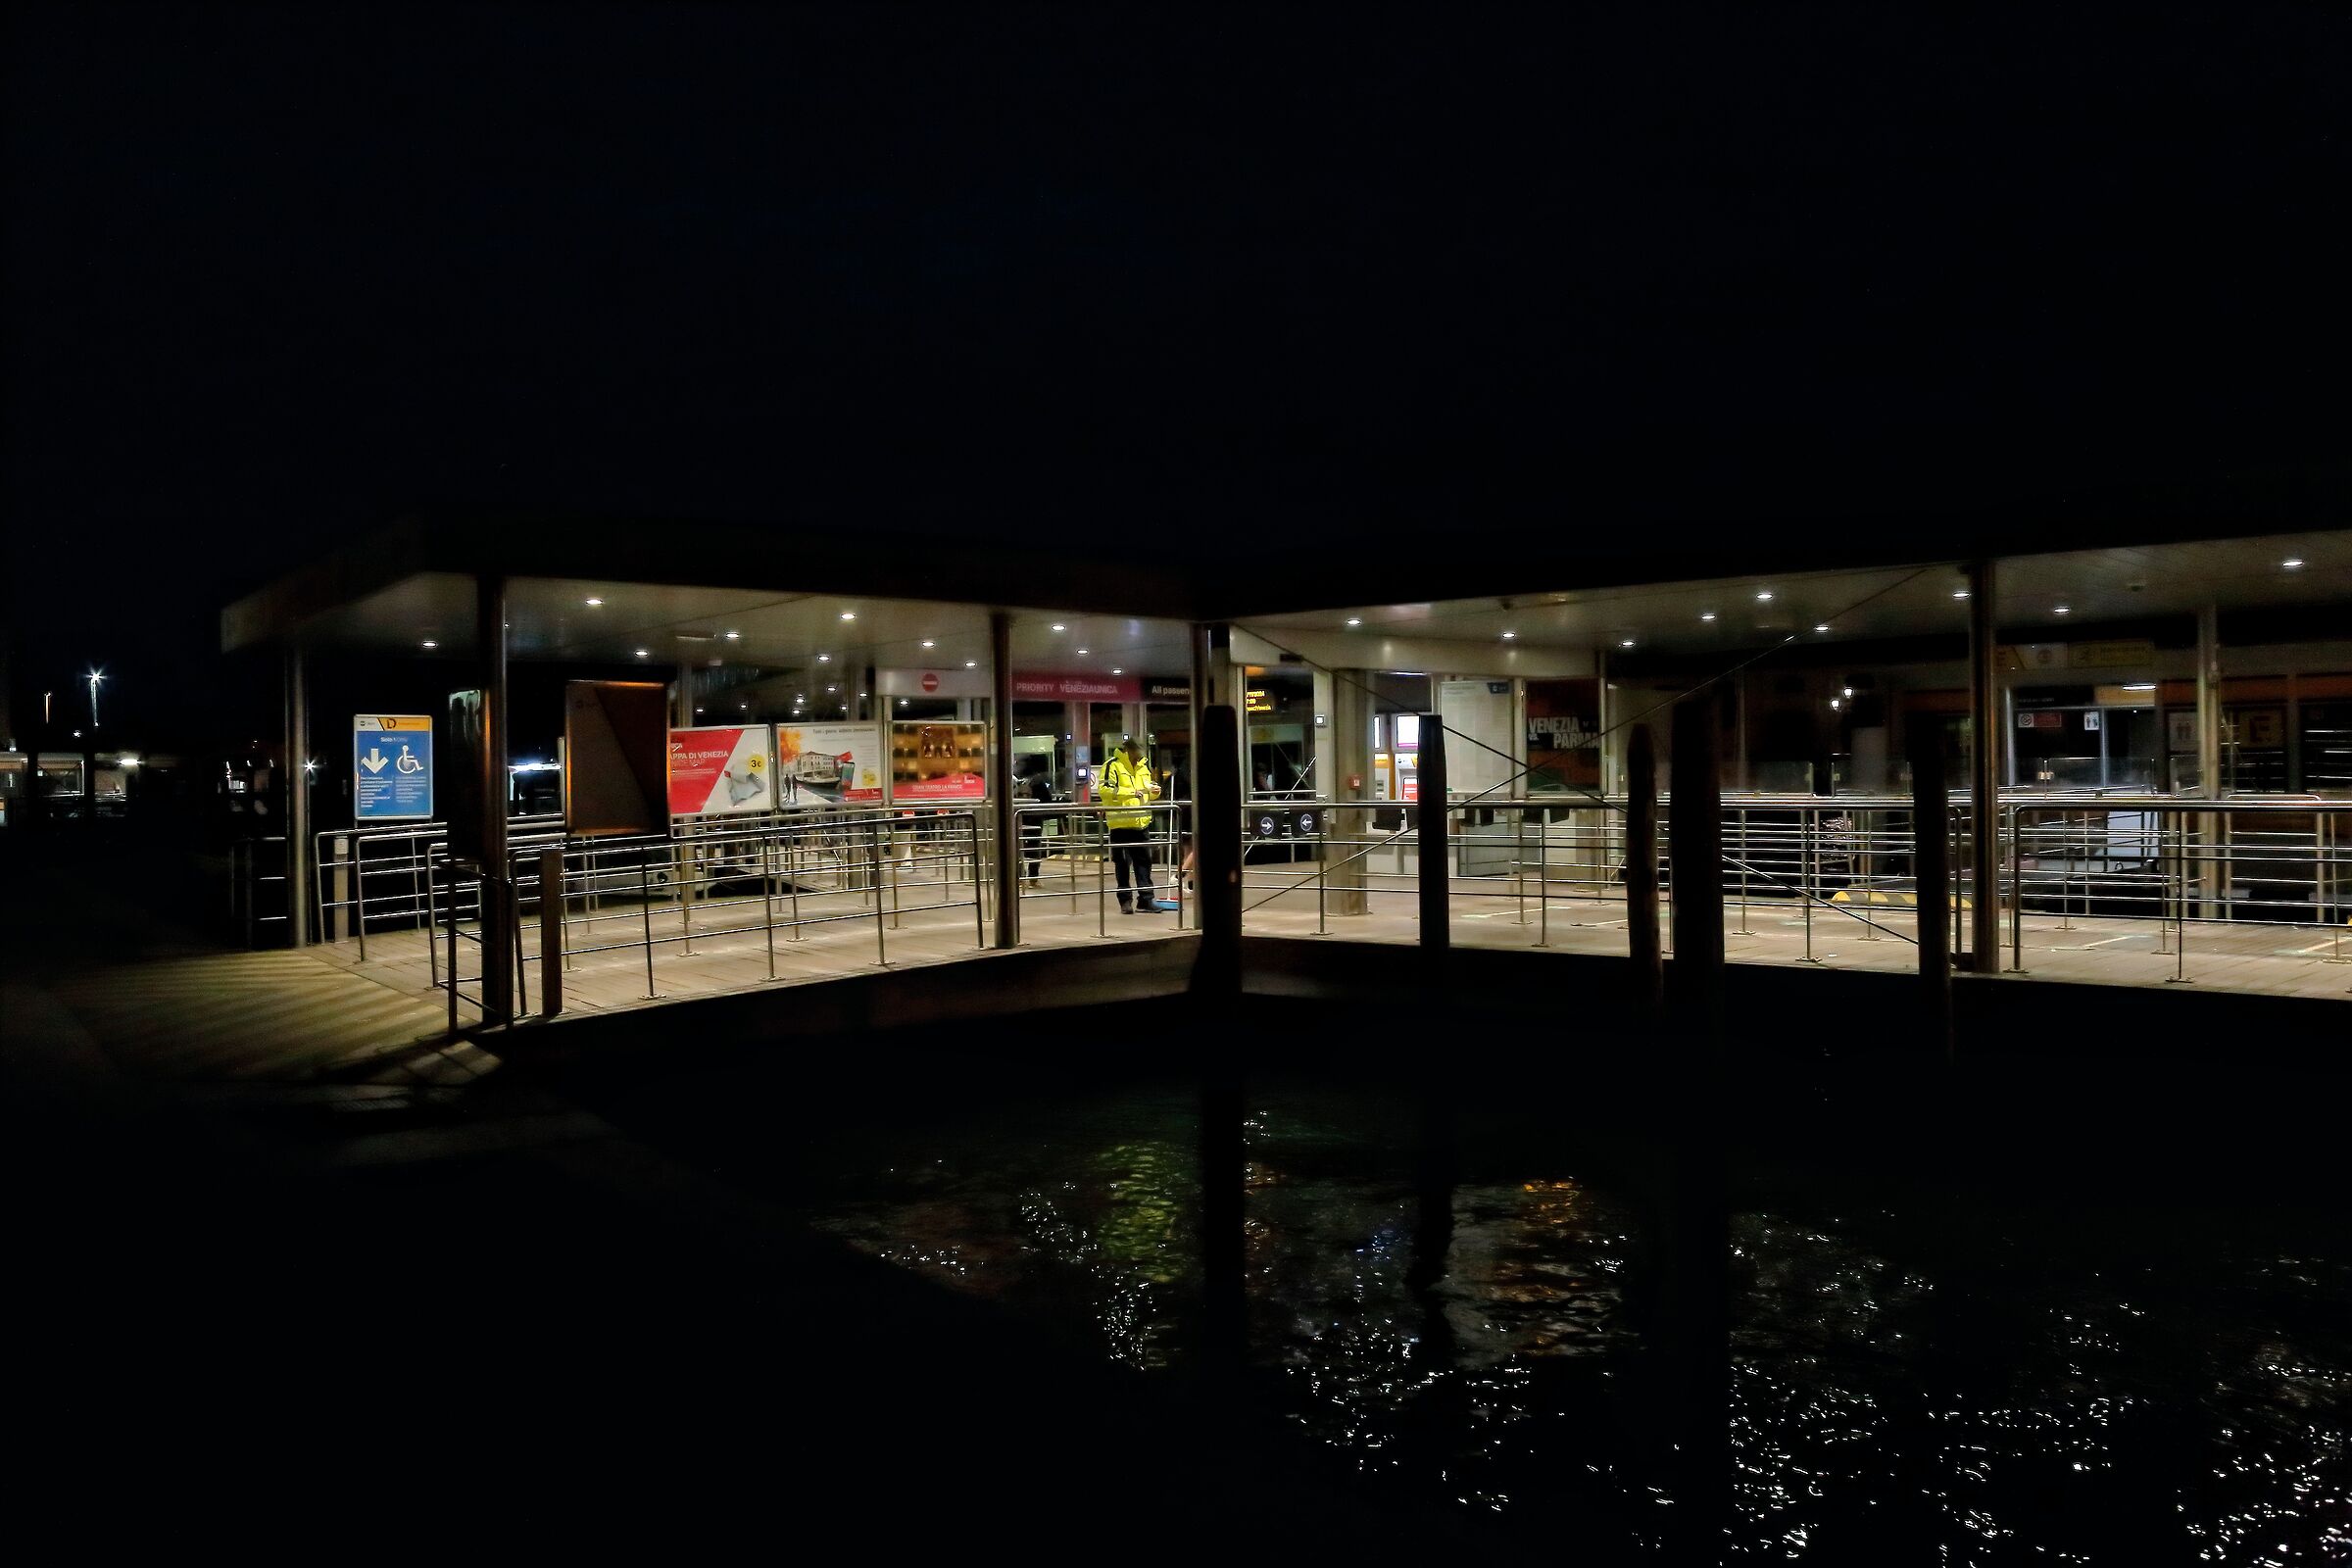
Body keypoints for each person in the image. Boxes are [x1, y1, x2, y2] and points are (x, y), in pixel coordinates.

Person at [1097, 734, 1160, 913]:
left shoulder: (1143, 767)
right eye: (1137, 752)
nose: (1139, 756)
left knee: (1144, 863)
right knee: (1123, 864)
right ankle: (1125, 901)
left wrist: (1154, 791)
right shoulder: (1112, 765)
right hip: (1120, 824)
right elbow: (1105, 790)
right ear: (1128, 750)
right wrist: (1132, 792)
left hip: (1141, 823)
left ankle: (1146, 899)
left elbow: (1147, 789)